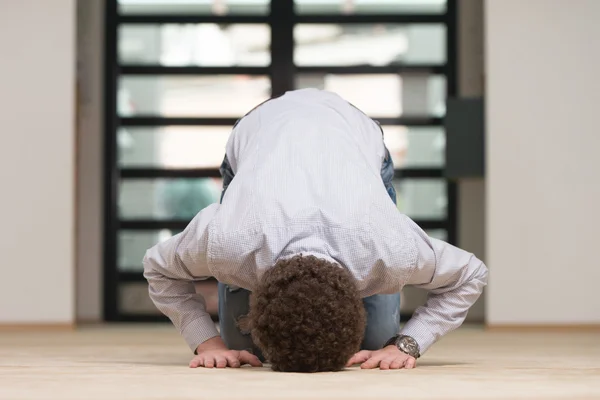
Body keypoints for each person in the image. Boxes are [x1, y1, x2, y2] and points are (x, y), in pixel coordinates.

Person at [143, 88, 488, 373]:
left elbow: (470, 274)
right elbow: (158, 267)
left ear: (360, 291)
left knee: (377, 349)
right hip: (260, 133)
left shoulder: (389, 249)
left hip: (352, 132)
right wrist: (208, 342)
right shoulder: (228, 240)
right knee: (238, 353)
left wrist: (408, 344)